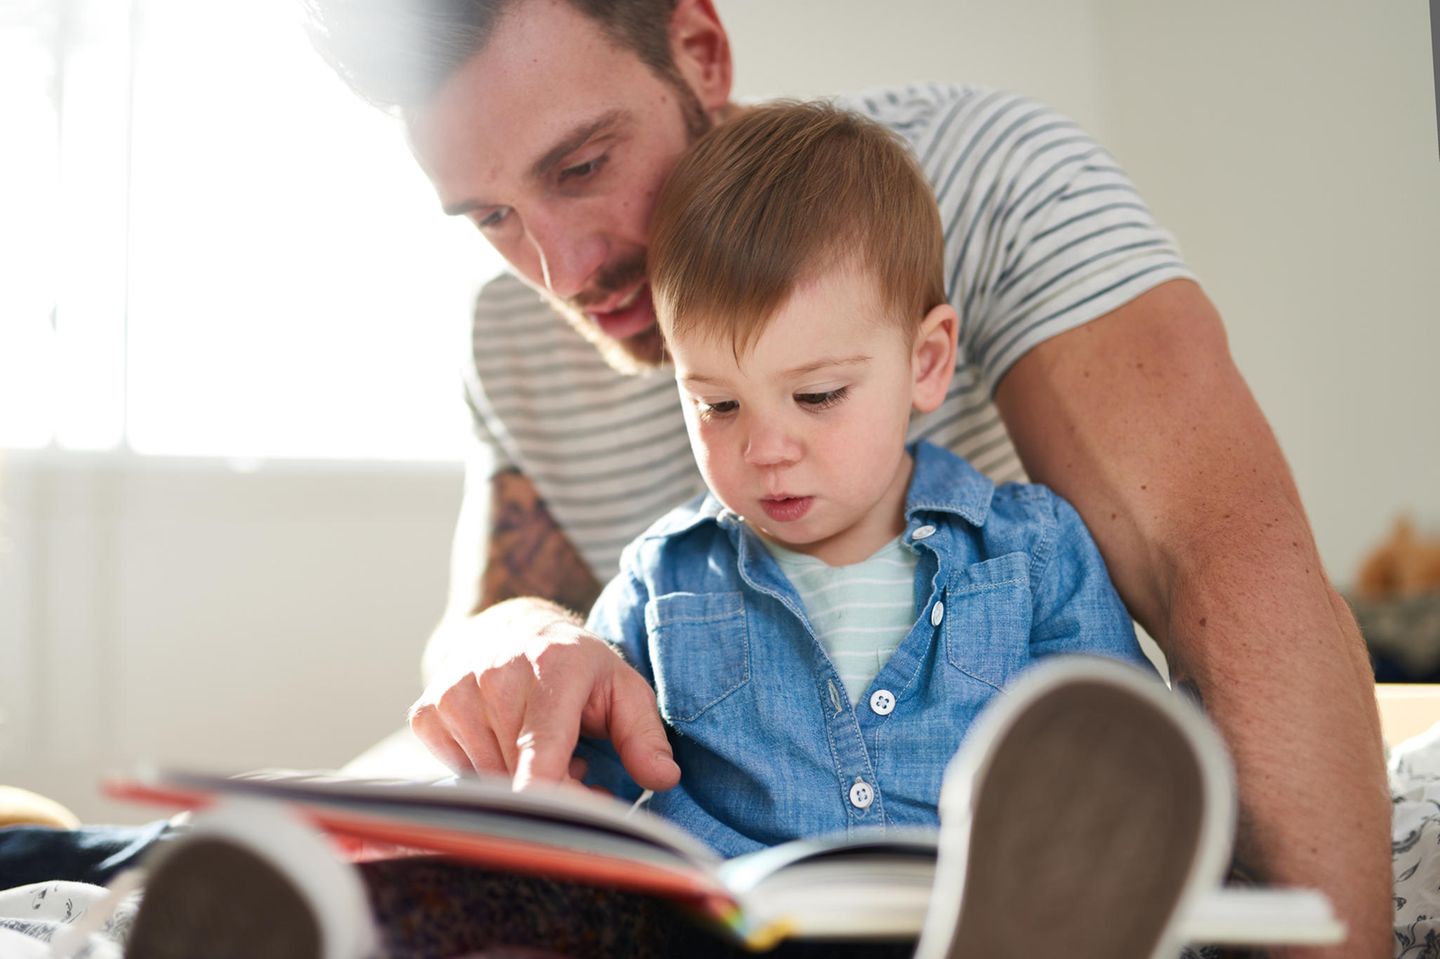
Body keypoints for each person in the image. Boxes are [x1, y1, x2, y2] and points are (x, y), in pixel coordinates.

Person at [571, 99, 1158, 856]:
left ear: (926, 361)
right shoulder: (661, 582)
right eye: (717, 404)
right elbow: (576, 803)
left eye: (817, 397)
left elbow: (1137, 766)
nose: (766, 450)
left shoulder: (1030, 551)